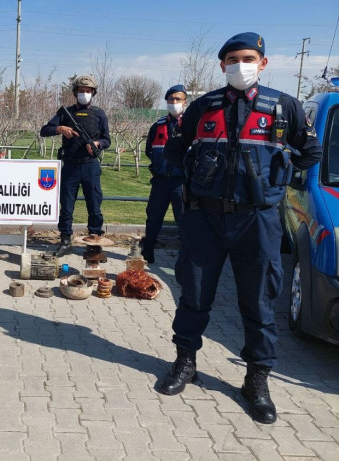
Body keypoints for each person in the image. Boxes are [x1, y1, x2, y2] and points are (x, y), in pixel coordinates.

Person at [156, 33, 322, 424]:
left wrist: (275, 176)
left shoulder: (284, 107)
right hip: (205, 218)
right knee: (194, 295)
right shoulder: (203, 106)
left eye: (247, 58)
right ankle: (185, 363)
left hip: (258, 220)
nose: (239, 65)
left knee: (260, 302)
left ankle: (256, 380)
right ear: (222, 65)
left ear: (262, 63)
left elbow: (310, 152)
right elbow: (177, 151)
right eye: (232, 59)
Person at [40, 75, 110, 256]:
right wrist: (59, 129)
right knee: (67, 205)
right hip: (70, 166)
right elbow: (44, 130)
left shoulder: (99, 113)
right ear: (75, 92)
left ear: (93, 93)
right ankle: (65, 240)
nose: (84, 94)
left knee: (94, 205)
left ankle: (94, 242)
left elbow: (106, 139)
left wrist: (97, 144)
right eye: (81, 91)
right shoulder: (65, 112)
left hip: (90, 166)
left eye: (88, 91)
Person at [140, 85, 188, 263]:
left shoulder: (191, 125)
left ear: (185, 102)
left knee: (183, 221)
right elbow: (149, 150)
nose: (174, 103)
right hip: (160, 182)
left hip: (181, 183)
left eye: (178, 99)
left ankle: (186, 257)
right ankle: (148, 252)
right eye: (171, 99)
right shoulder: (158, 125)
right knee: (153, 218)